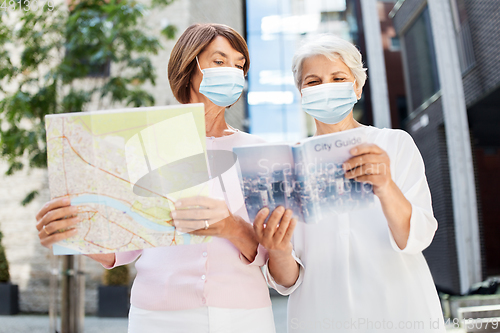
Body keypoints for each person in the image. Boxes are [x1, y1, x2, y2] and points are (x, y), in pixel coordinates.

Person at [35, 23, 286, 333]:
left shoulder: (258, 153)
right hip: (157, 317)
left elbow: (270, 255)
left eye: (239, 65)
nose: (232, 72)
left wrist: (231, 227)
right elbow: (119, 248)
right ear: (190, 66)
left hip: (243, 315)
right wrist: (67, 234)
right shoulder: (145, 143)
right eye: (219, 61)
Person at [254, 35, 446, 332]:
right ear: (301, 93)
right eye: (313, 81)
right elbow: (286, 280)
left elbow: (417, 237)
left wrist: (385, 186)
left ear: (357, 87)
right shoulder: (284, 166)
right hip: (320, 319)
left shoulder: (393, 145)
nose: (326, 88)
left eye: (338, 78)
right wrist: (277, 249)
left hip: (400, 313)